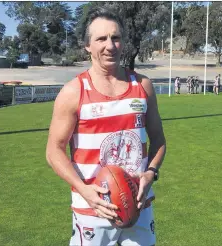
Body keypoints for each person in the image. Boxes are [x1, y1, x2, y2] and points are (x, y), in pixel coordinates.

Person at [46, 6, 166, 246]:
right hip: (93, 210)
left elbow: (159, 140)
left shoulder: (143, 85)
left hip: (139, 206)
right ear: (87, 45)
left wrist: (151, 173)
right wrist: (84, 190)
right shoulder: (73, 92)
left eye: (116, 37)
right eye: (101, 38)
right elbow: (53, 151)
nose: (110, 45)